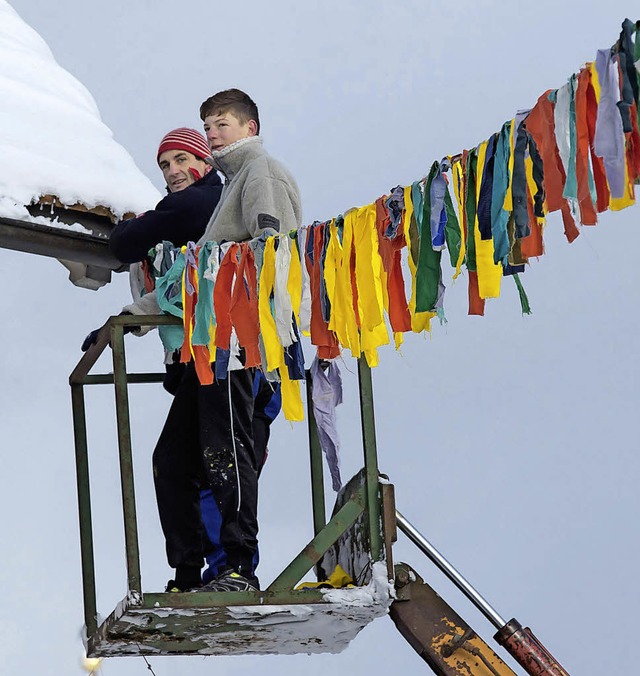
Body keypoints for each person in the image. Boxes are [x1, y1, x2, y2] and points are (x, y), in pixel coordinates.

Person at [123, 89, 302, 592]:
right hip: (210, 344)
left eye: (221, 125)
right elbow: (194, 279)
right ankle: (186, 571)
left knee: (227, 448)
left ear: (250, 127)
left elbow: (271, 251)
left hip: (239, 343)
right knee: (172, 460)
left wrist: (254, 319)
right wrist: (132, 316)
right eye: (207, 127)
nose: (213, 135)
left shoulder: (260, 173)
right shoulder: (230, 186)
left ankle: (239, 567)